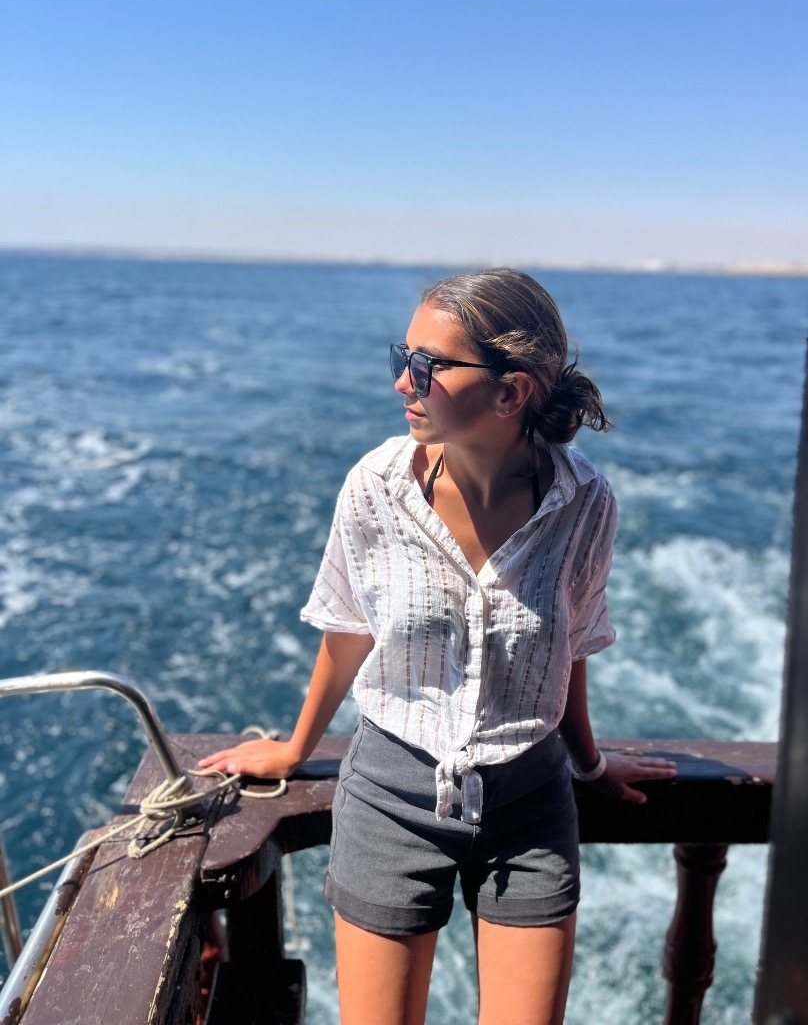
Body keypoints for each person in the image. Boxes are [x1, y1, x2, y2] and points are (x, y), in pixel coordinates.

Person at [199, 269, 677, 1025]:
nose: (402, 381)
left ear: (512, 392)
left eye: (428, 365)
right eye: (404, 356)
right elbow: (348, 630)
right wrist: (294, 749)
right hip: (390, 795)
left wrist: (589, 764)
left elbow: (571, 647)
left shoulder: (585, 503)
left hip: (529, 805)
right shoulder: (375, 487)